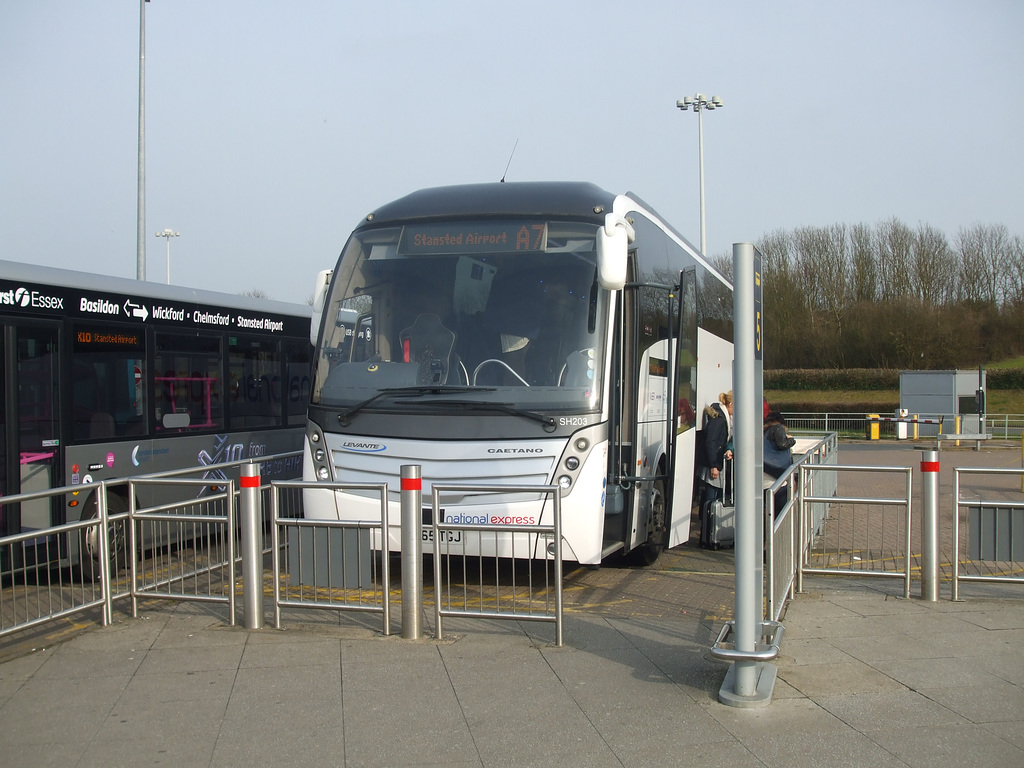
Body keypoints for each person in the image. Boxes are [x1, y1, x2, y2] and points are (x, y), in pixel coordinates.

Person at [699, 390, 733, 506]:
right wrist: (714, 465)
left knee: (713, 496)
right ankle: (708, 521)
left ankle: (707, 520)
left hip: (715, 461)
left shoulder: (719, 416)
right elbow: (711, 441)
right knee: (712, 497)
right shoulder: (719, 420)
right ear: (731, 404)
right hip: (714, 463)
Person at [763, 410, 796, 511]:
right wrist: (791, 440)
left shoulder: (763, 433)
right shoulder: (778, 428)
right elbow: (782, 444)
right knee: (779, 514)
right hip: (777, 481)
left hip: (764, 479)